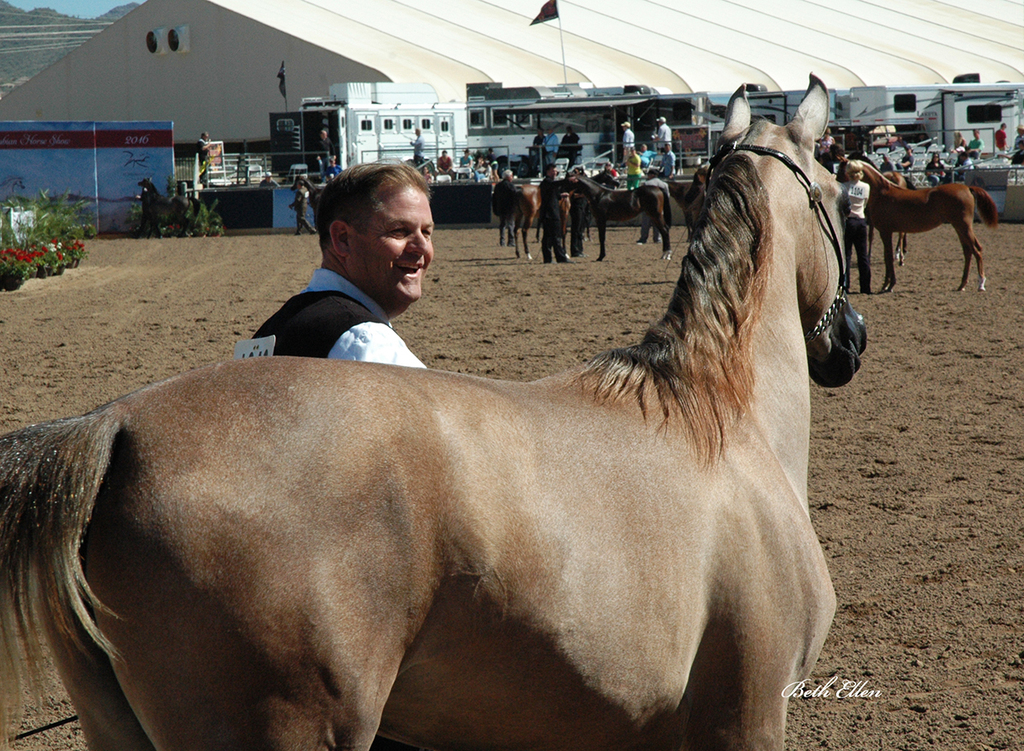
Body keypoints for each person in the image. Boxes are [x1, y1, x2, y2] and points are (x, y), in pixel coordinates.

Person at [254, 162, 433, 366]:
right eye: (399, 231)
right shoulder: (366, 342)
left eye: (426, 232)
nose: (422, 247)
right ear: (343, 239)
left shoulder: (270, 330)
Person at [841, 159, 871, 295]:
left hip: (848, 221)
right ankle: (865, 287)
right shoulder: (866, 187)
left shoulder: (843, 187)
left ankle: (845, 285)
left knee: (847, 255)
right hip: (861, 221)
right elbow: (865, 203)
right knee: (863, 256)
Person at [539, 162, 572, 264]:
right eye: (553, 171)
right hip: (550, 214)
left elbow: (555, 195)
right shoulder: (546, 182)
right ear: (548, 172)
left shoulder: (550, 184)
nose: (555, 172)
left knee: (548, 237)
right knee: (555, 237)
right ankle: (560, 257)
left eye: (556, 171)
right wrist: (567, 181)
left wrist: (562, 195)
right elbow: (554, 185)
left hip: (551, 213)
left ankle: (548, 258)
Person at [637, 167, 668, 245]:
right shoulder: (664, 184)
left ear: (652, 175)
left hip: (648, 206)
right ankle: (657, 238)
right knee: (658, 223)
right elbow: (667, 197)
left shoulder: (647, 184)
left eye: (649, 174)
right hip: (660, 207)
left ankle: (643, 238)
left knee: (645, 223)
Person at [567, 168, 590, 258]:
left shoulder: (582, 183)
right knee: (576, 228)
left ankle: (579, 249)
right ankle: (575, 250)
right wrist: (581, 195)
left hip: (583, 206)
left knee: (580, 228)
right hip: (577, 206)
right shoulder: (573, 185)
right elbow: (572, 195)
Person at [491, 169, 518, 247]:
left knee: (502, 225)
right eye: (511, 176)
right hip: (510, 209)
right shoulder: (511, 186)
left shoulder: (498, 186)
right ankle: (511, 241)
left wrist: (495, 208)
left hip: (501, 208)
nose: (512, 177)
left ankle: (502, 241)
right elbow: (515, 196)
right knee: (511, 225)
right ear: (508, 177)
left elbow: (494, 198)